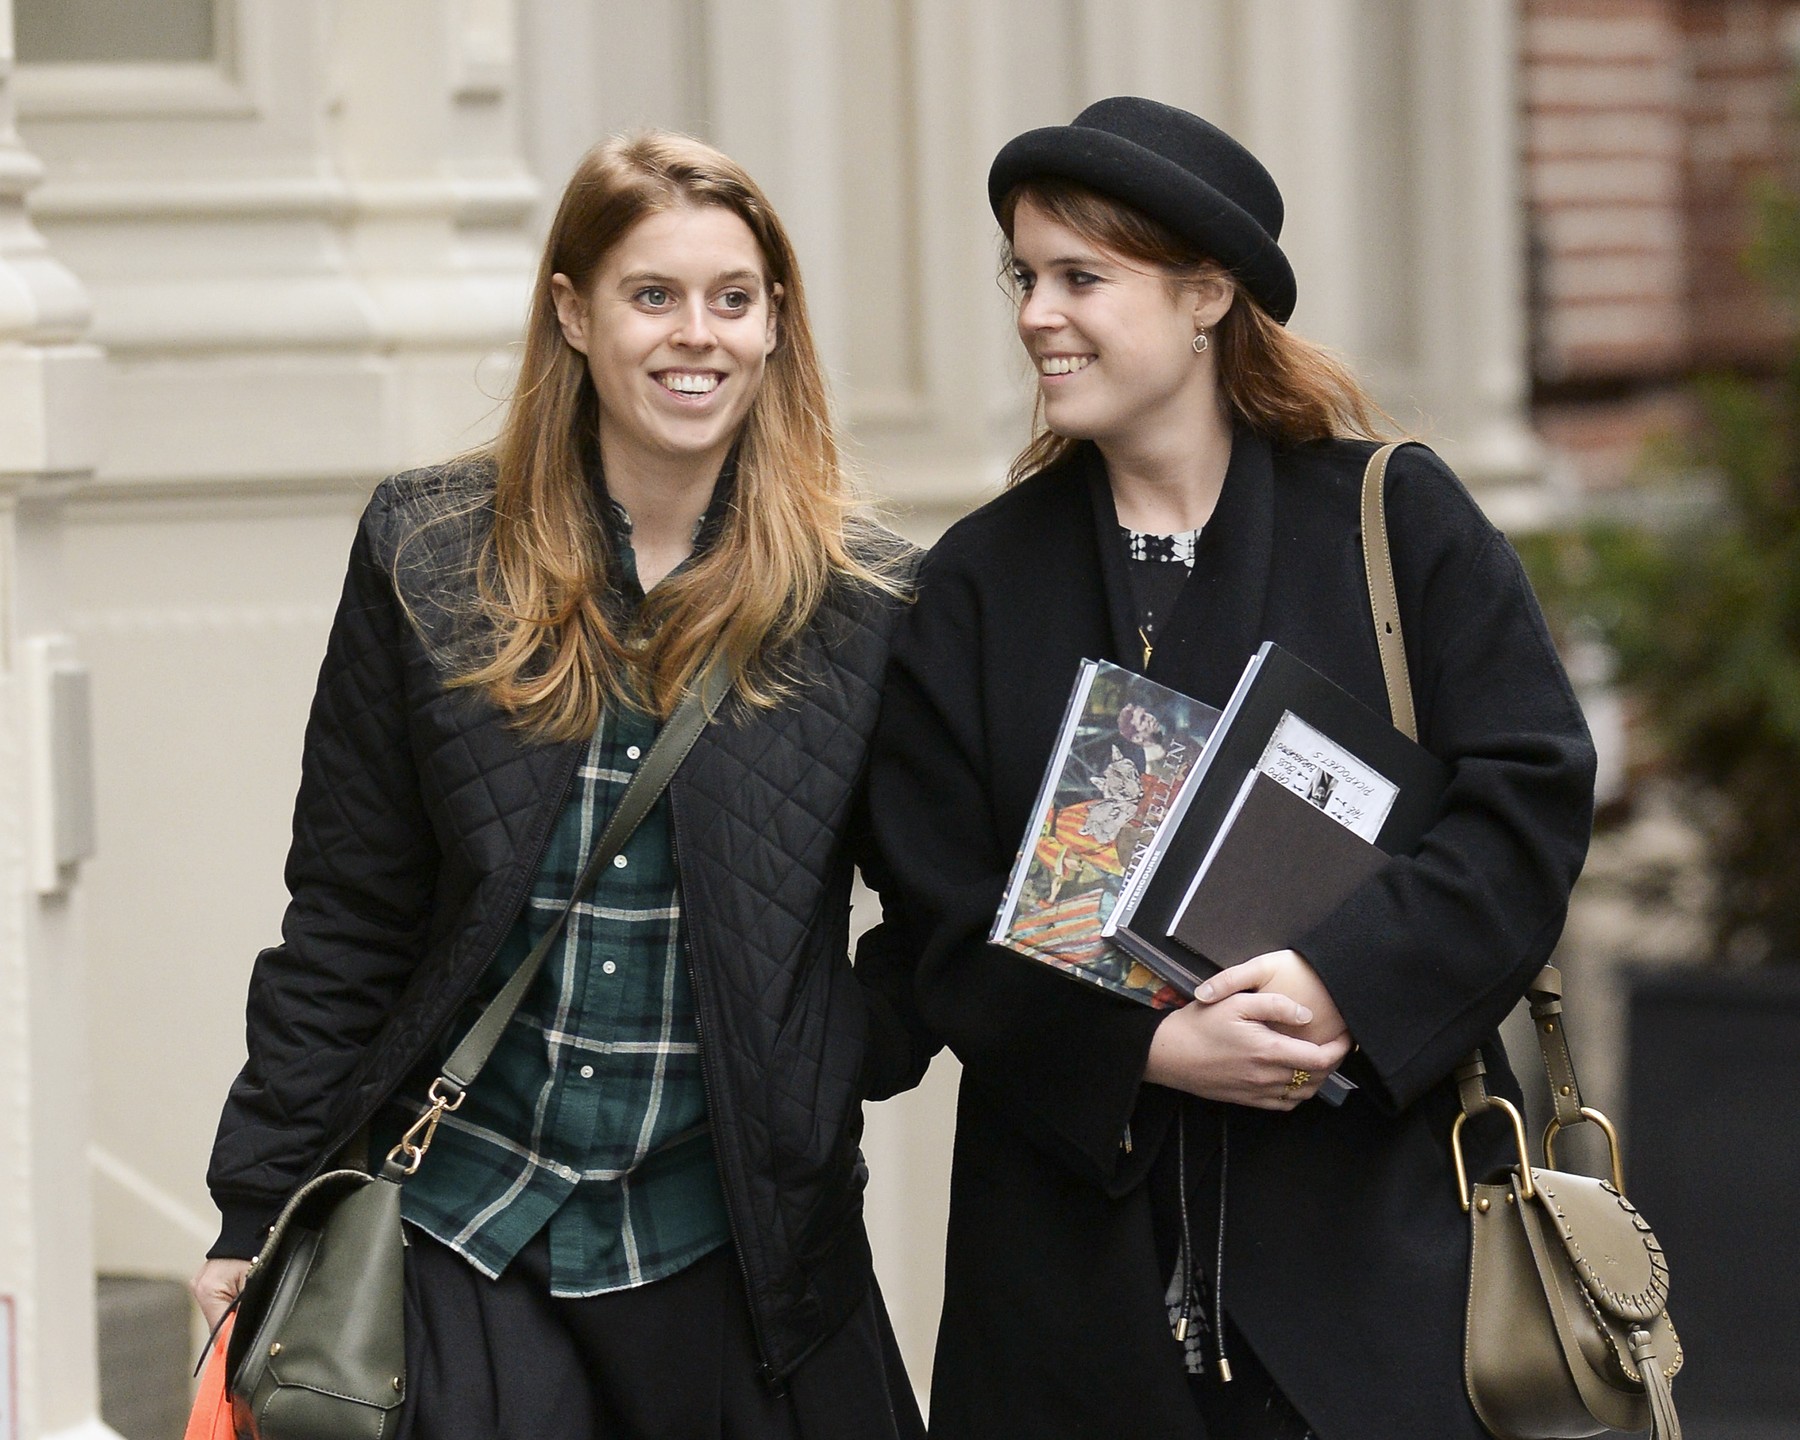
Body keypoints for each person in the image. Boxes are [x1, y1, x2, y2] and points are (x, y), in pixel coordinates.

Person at [867, 98, 1597, 1439]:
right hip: (1073, 1306)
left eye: (1082, 276)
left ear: (1208, 293)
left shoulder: (1393, 519)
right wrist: (1147, 1046)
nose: (1037, 312)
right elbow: (937, 921)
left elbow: (1528, 802)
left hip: (1368, 1279)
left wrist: (1343, 983)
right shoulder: (974, 583)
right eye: (1024, 275)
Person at [191, 131, 928, 1440]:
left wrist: (815, 1059)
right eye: (653, 296)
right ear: (575, 312)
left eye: (732, 299)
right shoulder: (427, 556)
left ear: (773, 329)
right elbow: (349, 915)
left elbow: (940, 924)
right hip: (464, 1225)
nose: (694, 335)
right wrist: (254, 1207)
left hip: (732, 1241)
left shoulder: (863, 607)